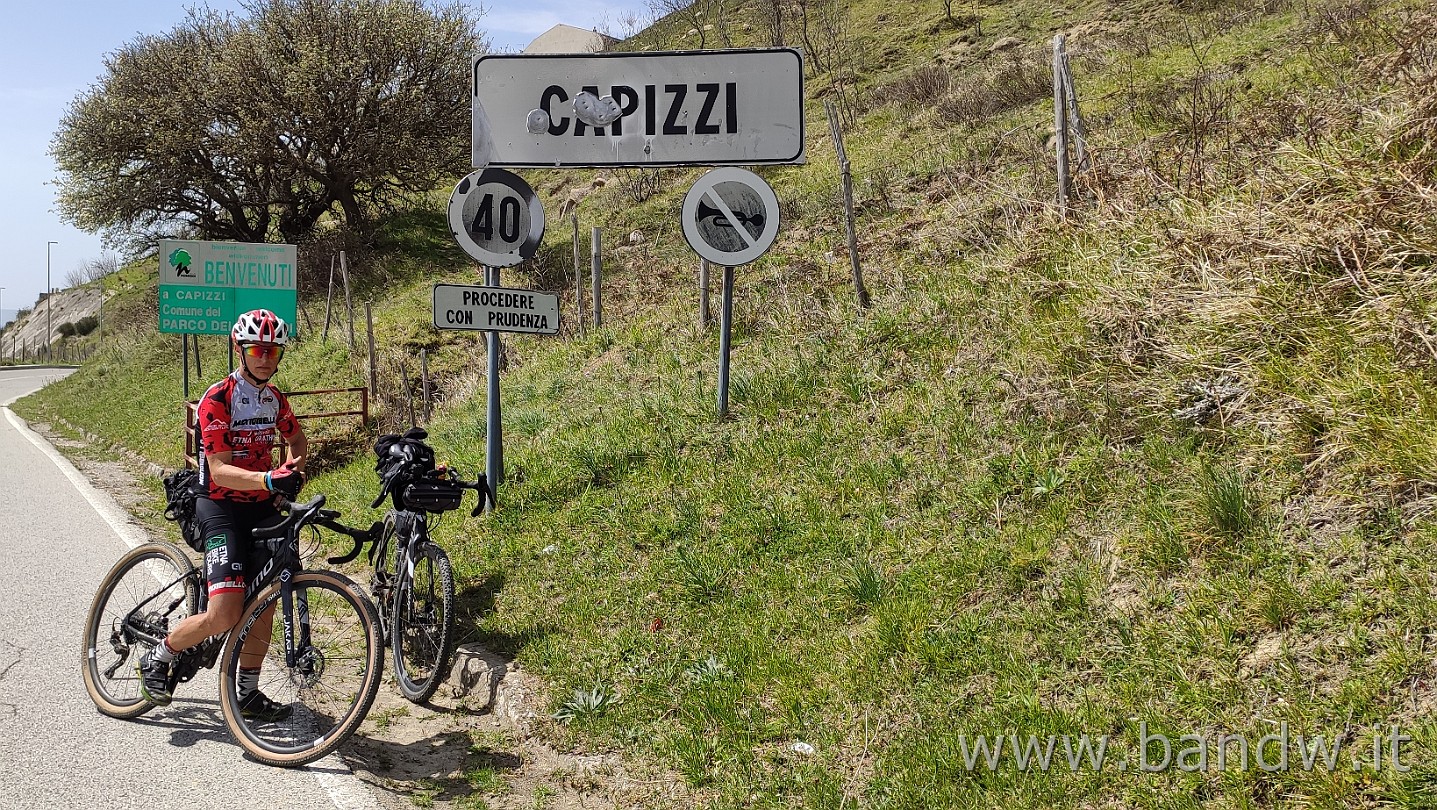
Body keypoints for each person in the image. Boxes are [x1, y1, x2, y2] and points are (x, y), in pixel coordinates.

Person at [137, 309, 308, 721]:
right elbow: (219, 468)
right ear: (240, 349)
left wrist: (294, 470)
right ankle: (159, 654)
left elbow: (296, 438)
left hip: (261, 505)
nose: (266, 357)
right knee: (226, 613)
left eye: (274, 351)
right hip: (220, 507)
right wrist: (270, 478)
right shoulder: (218, 399)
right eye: (258, 349)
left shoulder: (275, 399)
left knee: (266, 600)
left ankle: (246, 693)